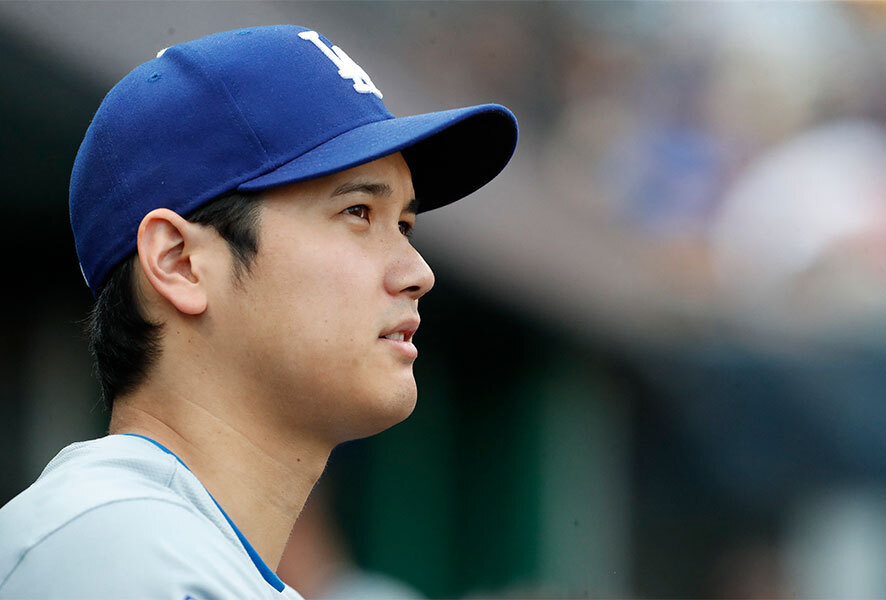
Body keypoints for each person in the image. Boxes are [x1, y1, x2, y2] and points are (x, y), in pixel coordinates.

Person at [0, 25, 516, 599]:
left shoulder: (173, 554)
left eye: (404, 225)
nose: (419, 272)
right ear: (180, 263)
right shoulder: (109, 553)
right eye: (357, 212)